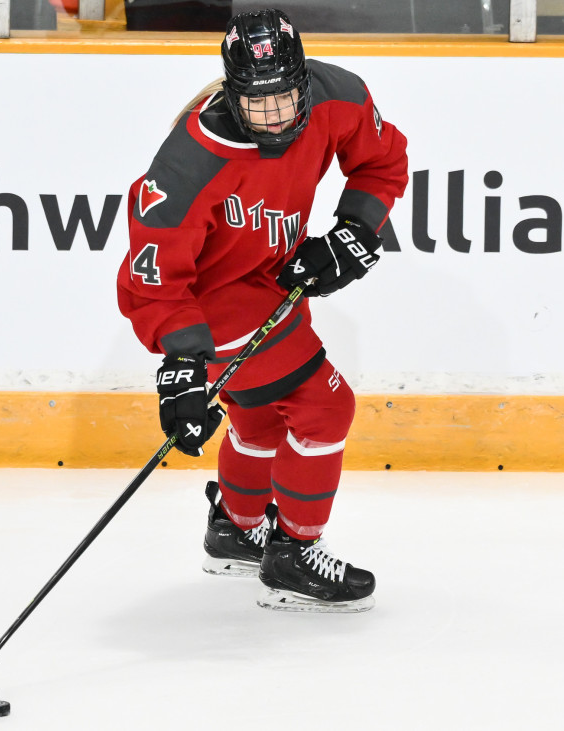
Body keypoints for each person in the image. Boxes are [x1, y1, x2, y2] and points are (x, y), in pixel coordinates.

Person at [116, 8, 409, 612]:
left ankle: (238, 527)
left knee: (262, 419)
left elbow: (383, 160)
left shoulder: (338, 95)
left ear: (304, 78)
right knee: (326, 408)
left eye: (285, 97)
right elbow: (152, 278)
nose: (274, 115)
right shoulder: (189, 162)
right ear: (231, 91)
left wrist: (352, 231)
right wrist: (182, 368)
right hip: (209, 296)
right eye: (257, 102)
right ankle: (295, 553)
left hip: (266, 281)